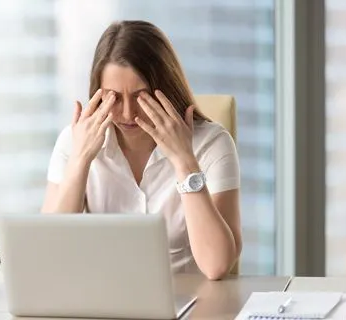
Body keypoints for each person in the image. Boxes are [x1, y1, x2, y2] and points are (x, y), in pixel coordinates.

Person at [41, 20, 241, 280]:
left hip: (188, 304)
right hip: (100, 301)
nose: (127, 114)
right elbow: (49, 253)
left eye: (140, 97)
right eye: (114, 97)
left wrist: (184, 161)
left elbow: (217, 265)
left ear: (167, 90)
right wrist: (80, 160)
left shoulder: (212, 144)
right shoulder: (74, 141)